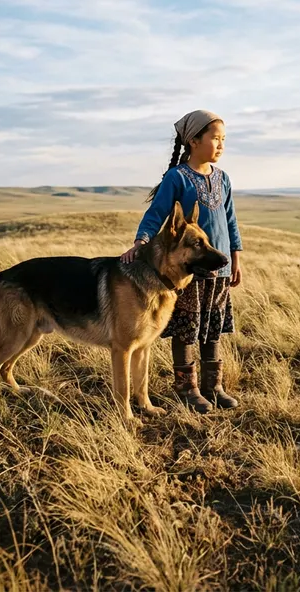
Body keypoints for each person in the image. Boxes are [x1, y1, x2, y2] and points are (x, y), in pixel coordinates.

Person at [121, 109, 243, 412]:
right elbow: (157, 213)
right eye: (215, 139)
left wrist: (236, 259)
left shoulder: (223, 179)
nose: (221, 145)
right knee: (189, 327)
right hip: (187, 271)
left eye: (223, 139)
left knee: (212, 327)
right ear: (193, 140)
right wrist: (141, 242)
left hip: (221, 268)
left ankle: (213, 386)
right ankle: (186, 388)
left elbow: (230, 222)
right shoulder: (178, 177)